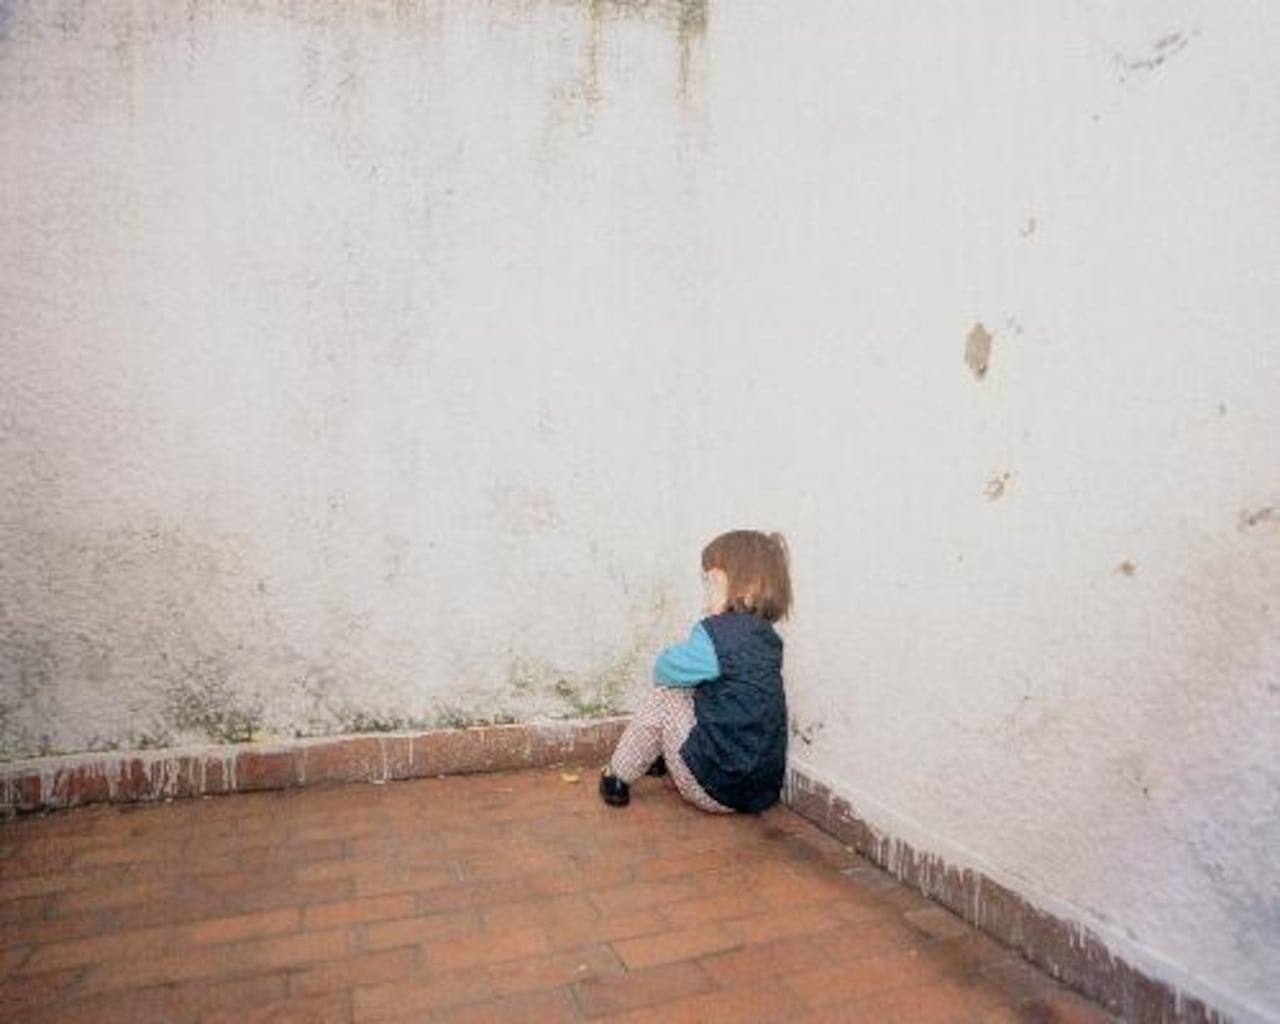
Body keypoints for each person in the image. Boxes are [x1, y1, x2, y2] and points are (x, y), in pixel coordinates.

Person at [599, 530, 792, 814]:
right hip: (758, 792)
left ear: (747, 589)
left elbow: (664, 670)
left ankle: (617, 774)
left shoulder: (716, 635)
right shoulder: (769, 639)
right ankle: (659, 754)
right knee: (707, 692)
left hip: (714, 790)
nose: (707, 594)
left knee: (668, 695)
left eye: (713, 583)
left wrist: (682, 649)